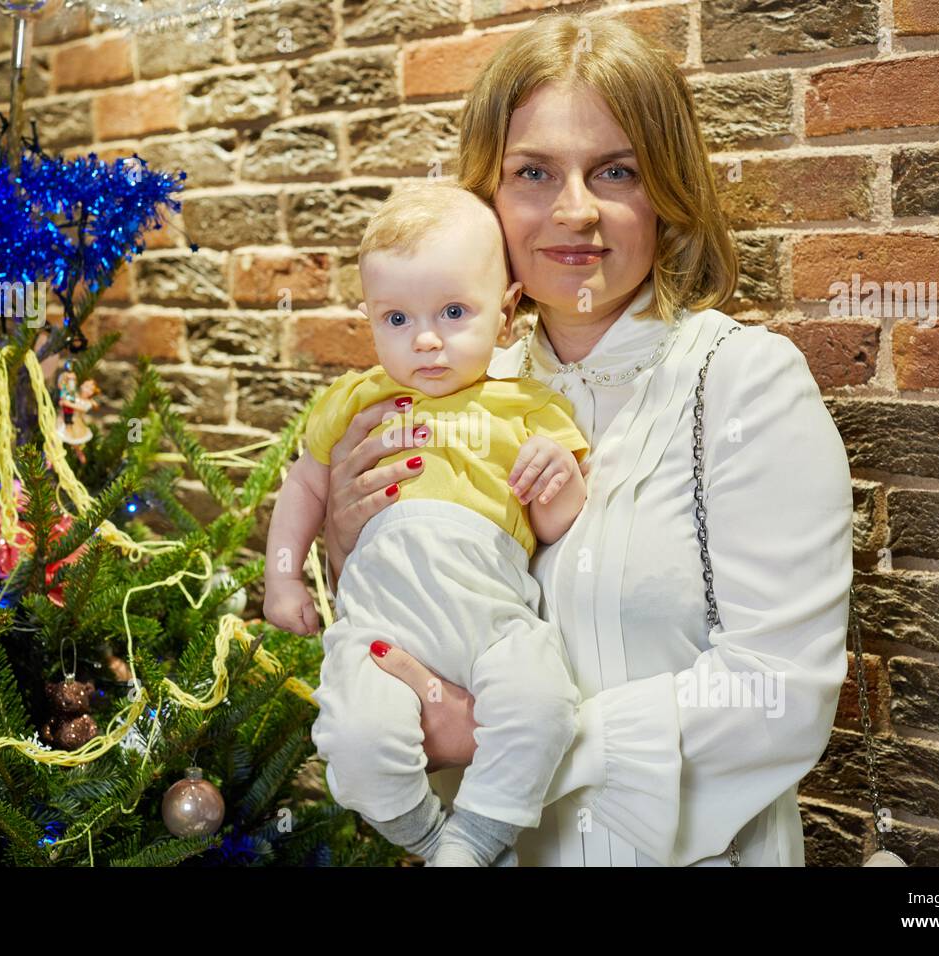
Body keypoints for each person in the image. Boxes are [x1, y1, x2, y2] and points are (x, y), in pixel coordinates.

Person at [318, 12, 853, 866]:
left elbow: (780, 694)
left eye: (617, 171)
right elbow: (389, 638)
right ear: (486, 201)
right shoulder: (439, 395)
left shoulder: (743, 383)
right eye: (532, 172)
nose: (575, 211)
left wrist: (501, 740)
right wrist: (347, 548)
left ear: (667, 191)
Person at [264, 180, 592, 865]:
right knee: (353, 739)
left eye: (452, 312)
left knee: (543, 706)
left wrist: (555, 476)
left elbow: (559, 525)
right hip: (381, 624)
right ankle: (433, 839)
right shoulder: (360, 398)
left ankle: (480, 832)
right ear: (369, 317)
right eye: (396, 320)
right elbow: (305, 484)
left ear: (505, 316)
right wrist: (283, 580)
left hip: (491, 620)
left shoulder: (525, 407)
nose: (427, 342)